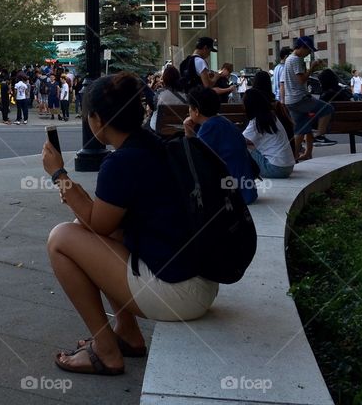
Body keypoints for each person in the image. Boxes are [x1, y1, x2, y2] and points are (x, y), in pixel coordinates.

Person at [41, 73, 218, 377]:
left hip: (177, 294)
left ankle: (106, 350)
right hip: (200, 282)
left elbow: (97, 225)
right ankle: (127, 333)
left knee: (60, 239)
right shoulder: (151, 143)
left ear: (96, 119)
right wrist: (76, 197)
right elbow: (102, 223)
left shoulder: (122, 162)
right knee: (81, 228)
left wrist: (58, 174)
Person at [185, 86, 258, 205]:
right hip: (247, 191)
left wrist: (188, 134)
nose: (188, 111)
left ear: (196, 111)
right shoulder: (224, 122)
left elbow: (194, 161)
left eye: (190, 108)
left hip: (233, 195)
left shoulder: (209, 128)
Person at [282, 36, 337, 161]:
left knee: (301, 130)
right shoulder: (296, 60)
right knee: (327, 108)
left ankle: (296, 156)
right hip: (299, 98)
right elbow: (301, 80)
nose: (309, 53)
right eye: (308, 50)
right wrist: (312, 68)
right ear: (302, 47)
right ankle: (320, 135)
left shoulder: (289, 59)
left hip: (290, 100)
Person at [242, 89, 295, 179]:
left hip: (274, 169)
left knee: (241, 148)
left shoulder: (256, 122)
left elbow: (239, 140)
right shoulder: (272, 117)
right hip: (288, 167)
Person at [148, 65, 189, 133]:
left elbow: (154, 107)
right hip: (180, 130)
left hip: (159, 129)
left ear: (164, 79)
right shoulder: (186, 96)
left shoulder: (160, 93)